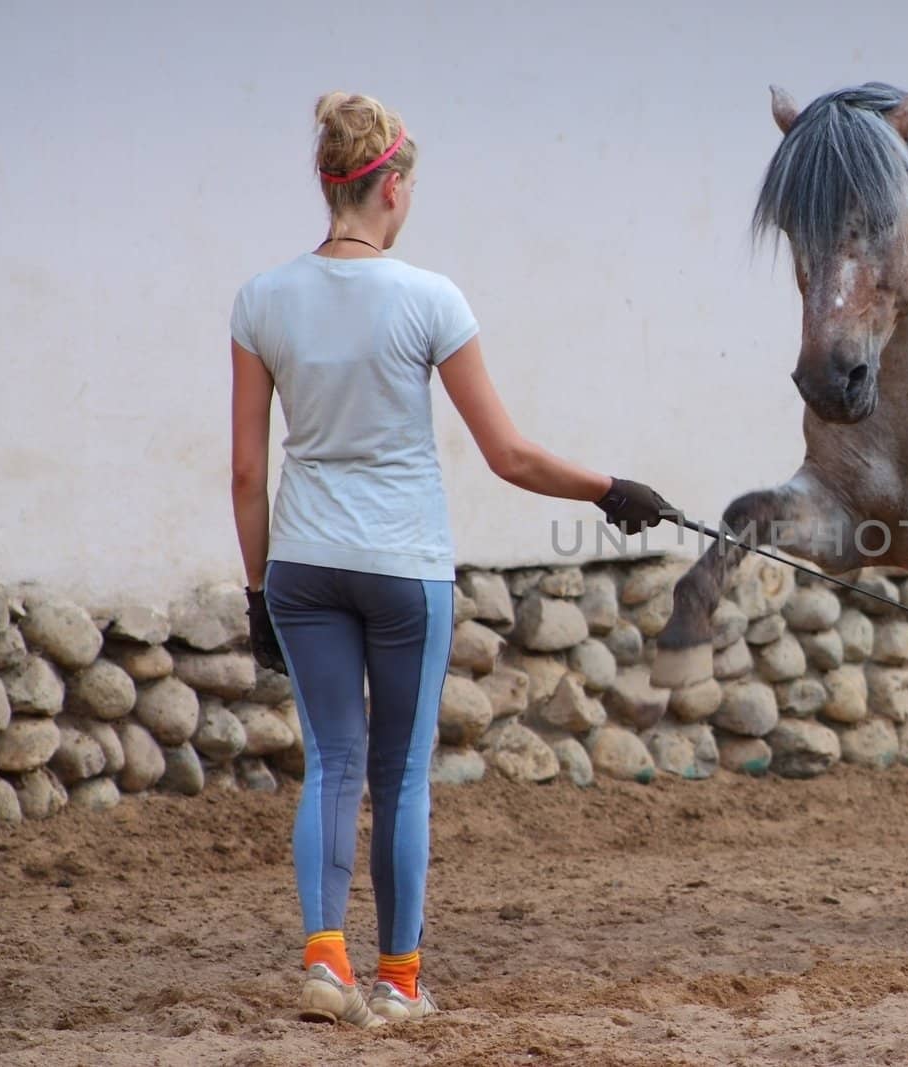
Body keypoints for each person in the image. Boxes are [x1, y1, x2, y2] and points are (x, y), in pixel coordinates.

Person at [229, 91, 670, 1028]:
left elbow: (243, 471)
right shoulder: (432, 299)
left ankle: (322, 959)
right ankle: (396, 982)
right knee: (401, 773)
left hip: (304, 562)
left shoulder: (260, 298)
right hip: (403, 566)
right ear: (390, 187)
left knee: (333, 760)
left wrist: (259, 590)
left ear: (329, 184)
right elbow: (508, 455)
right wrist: (609, 489)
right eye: (411, 183)